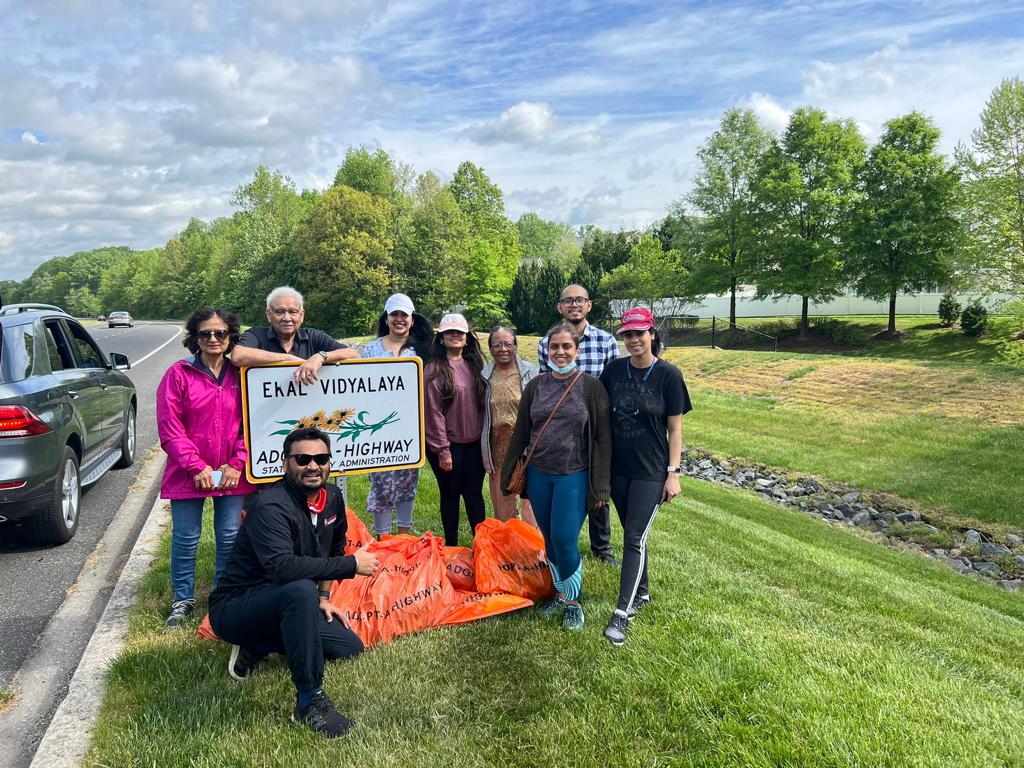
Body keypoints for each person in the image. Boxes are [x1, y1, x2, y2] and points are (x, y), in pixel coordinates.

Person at [209, 427, 381, 738]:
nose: (313, 466)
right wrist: (352, 565)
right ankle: (309, 701)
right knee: (300, 590)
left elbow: (333, 550)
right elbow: (282, 568)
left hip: (287, 600)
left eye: (321, 459)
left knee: (348, 647)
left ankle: (258, 644)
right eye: (303, 459)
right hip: (235, 607)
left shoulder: (333, 498)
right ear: (285, 463)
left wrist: (324, 597)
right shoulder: (270, 505)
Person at [503, 323, 611, 630]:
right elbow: (522, 432)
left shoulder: (591, 387)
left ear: (577, 350)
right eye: (554, 347)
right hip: (539, 474)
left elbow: (603, 439)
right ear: (547, 350)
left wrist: (602, 486)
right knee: (549, 539)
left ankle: (574, 604)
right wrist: (509, 473)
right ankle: (561, 594)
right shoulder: (536, 386)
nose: (560, 352)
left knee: (565, 538)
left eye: (566, 346)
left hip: (573, 475)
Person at [157, 308, 256, 628]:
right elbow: (170, 428)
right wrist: (195, 466)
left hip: (232, 472)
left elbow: (254, 423)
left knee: (229, 536)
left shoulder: (243, 375)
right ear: (195, 338)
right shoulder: (178, 374)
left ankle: (223, 595)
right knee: (186, 537)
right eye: (205, 333)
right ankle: (182, 599)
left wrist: (237, 463)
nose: (213, 339)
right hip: (188, 473)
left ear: (230, 337)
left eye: (220, 333)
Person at [599, 307, 692, 647]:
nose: (634, 339)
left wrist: (673, 474)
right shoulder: (613, 371)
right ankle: (643, 593)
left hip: (651, 472)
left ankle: (622, 613)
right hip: (618, 470)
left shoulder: (669, 375)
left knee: (634, 537)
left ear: (652, 334)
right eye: (628, 334)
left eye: (639, 333)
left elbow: (675, 429)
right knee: (633, 534)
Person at [537, 284, 620, 566]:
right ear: (560, 306)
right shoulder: (547, 342)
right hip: (562, 427)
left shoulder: (606, 341)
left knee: (597, 483)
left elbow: (613, 384)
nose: (574, 304)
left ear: (589, 305)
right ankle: (559, 541)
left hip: (595, 423)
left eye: (579, 300)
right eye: (568, 300)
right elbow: (545, 385)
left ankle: (602, 547)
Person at [359, 293, 433, 537]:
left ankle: (403, 538)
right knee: (381, 484)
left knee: (406, 484)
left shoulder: (421, 350)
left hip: (410, 428)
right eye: (394, 314)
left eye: (404, 315)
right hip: (378, 429)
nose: (399, 319)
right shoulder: (371, 350)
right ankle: (383, 539)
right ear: (386, 318)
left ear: (412, 320)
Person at [424, 312, 487, 547]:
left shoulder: (477, 366)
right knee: (450, 496)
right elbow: (433, 413)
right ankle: (451, 547)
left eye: (459, 332)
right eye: (449, 332)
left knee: (474, 495)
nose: (454, 335)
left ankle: (481, 546)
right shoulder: (434, 369)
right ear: (441, 338)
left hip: (474, 444)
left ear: (467, 337)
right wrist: (443, 450)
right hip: (447, 446)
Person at [230, 286, 359, 384]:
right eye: (280, 312)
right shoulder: (257, 334)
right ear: (269, 314)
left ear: (301, 315)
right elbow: (238, 356)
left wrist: (321, 357)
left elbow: (353, 354)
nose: (287, 318)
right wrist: (289, 359)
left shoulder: (314, 336)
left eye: (293, 312)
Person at [481, 326, 538, 525]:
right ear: (490, 349)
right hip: (497, 447)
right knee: (502, 502)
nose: (503, 349)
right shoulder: (484, 375)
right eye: (497, 345)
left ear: (515, 346)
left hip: (526, 447)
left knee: (530, 502)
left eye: (507, 344)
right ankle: (508, 539)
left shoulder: (532, 372)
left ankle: (532, 541)